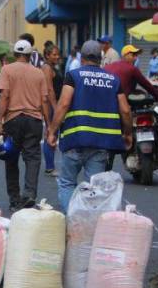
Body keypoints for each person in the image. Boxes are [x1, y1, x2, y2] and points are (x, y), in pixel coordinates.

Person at [48, 40, 133, 214]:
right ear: (101, 58)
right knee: (94, 188)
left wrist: (52, 131)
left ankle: (72, 221)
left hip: (75, 139)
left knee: (67, 183)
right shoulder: (113, 80)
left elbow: (63, 104)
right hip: (101, 144)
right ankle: (88, 226)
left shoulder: (73, 76)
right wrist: (128, 133)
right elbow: (125, 109)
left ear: (82, 58)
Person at [0, 39, 52, 213]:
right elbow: (44, 100)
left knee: (11, 159)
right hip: (33, 120)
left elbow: (4, 96)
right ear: (29, 55)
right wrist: (49, 125)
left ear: (14, 54)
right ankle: (29, 195)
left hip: (13, 120)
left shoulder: (7, 70)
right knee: (33, 158)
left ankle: (14, 200)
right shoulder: (39, 73)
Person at [41, 44, 63, 177]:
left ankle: (50, 166)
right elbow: (49, 90)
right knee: (50, 133)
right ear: (47, 55)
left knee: (52, 134)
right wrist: (56, 108)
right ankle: (49, 167)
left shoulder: (52, 67)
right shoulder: (47, 68)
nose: (57, 56)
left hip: (55, 105)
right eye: (54, 54)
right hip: (51, 106)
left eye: (57, 54)